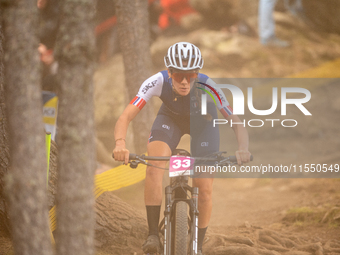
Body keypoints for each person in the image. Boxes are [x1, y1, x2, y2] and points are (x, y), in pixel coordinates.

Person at [113, 42, 251, 255]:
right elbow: (126, 116)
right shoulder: (156, 81)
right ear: (169, 73)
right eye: (179, 76)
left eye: (191, 75)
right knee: (154, 166)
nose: (185, 82)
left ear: (197, 73)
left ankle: (198, 243)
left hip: (204, 125)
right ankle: (152, 235)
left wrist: (243, 148)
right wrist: (120, 144)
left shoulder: (209, 85)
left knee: (203, 188)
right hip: (170, 120)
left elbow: (235, 120)